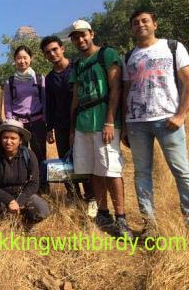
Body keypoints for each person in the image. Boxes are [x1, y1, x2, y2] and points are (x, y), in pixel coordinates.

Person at [121, 9, 189, 238]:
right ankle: (150, 225)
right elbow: (126, 91)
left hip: (168, 120)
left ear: (155, 24)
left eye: (145, 21)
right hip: (136, 123)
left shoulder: (173, 47)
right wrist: (125, 124)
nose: (140, 25)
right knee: (142, 173)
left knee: (182, 171)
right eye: (136, 23)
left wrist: (180, 115)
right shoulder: (129, 55)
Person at [68, 20, 132, 238]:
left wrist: (110, 121)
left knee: (111, 169)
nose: (80, 39)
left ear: (91, 33)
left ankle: (121, 217)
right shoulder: (78, 64)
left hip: (103, 120)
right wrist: (71, 129)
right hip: (82, 122)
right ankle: (103, 214)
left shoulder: (107, 54)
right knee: (94, 170)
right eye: (75, 37)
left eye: (83, 35)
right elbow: (75, 97)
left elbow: (116, 88)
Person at [40, 36, 96, 215]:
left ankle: (91, 197)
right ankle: (73, 196)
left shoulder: (77, 67)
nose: (52, 54)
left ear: (63, 48)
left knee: (83, 160)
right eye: (48, 52)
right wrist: (49, 128)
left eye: (55, 49)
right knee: (66, 162)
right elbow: (50, 103)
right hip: (60, 125)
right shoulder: (49, 78)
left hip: (81, 123)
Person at [0, 119, 49, 225]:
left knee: (43, 210)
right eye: (5, 137)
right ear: (0, 138)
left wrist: (18, 202)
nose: (8, 141)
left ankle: (23, 222)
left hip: (21, 195)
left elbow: (34, 183)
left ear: (20, 140)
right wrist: (9, 201)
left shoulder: (29, 155)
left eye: (13, 138)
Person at [3, 45, 47, 192]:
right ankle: (23, 186)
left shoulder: (39, 78)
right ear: (15, 60)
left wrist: (46, 123)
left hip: (37, 121)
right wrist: (11, 122)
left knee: (40, 155)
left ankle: (42, 187)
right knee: (21, 156)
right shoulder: (10, 82)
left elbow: (45, 101)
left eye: (25, 58)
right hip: (18, 124)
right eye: (19, 58)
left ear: (31, 59)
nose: (22, 61)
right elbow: (8, 104)